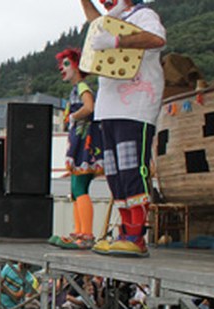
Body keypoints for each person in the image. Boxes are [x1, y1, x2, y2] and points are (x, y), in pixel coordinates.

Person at [79, 0, 166, 256]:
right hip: (109, 108)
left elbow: (157, 39)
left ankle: (137, 235)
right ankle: (126, 231)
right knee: (115, 175)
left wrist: (117, 42)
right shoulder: (112, 18)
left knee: (132, 170)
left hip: (135, 106)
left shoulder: (144, 14)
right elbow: (94, 22)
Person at [48, 47, 103, 250]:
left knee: (80, 187)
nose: (62, 69)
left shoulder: (82, 87)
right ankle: (79, 231)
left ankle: (86, 234)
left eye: (66, 64)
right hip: (79, 142)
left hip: (85, 143)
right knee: (75, 189)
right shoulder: (75, 89)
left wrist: (73, 116)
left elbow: (89, 107)